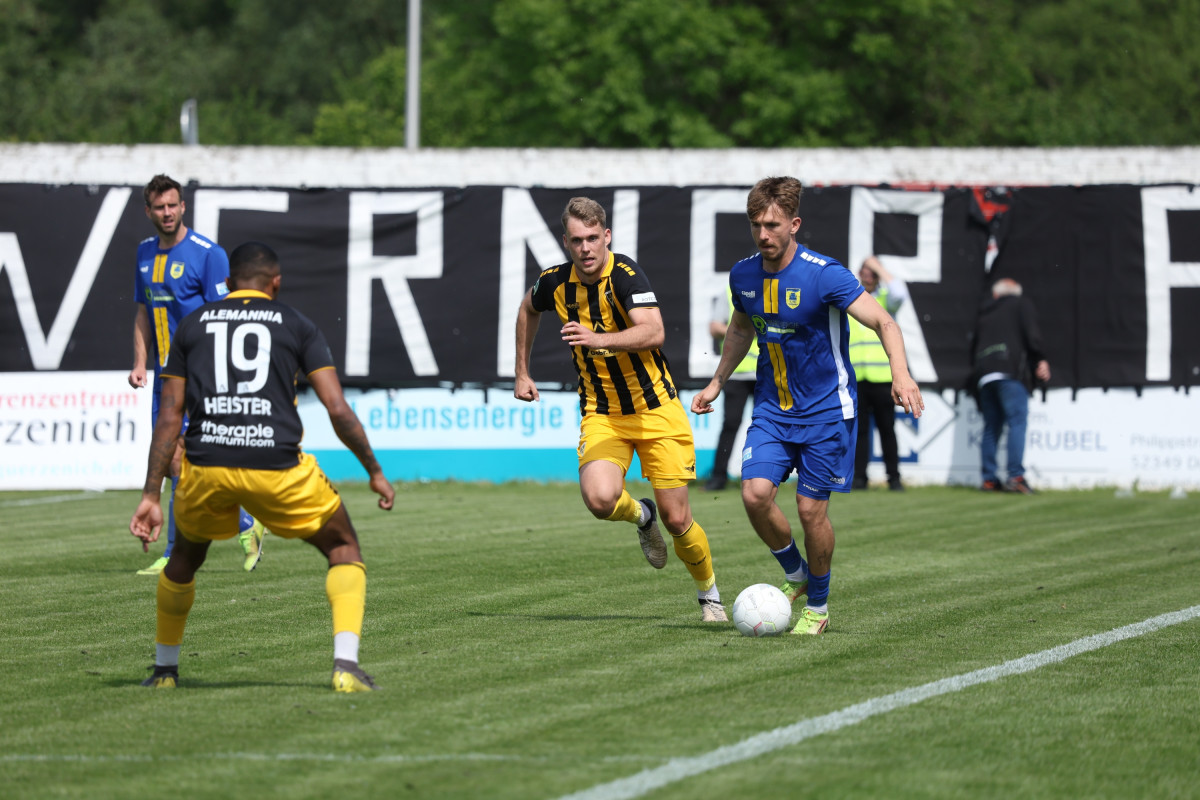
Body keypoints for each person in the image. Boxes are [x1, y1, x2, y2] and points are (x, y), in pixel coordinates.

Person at [130, 242, 395, 692]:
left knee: (184, 560)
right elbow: (337, 409)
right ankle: (346, 667)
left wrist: (152, 494)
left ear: (228, 282)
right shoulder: (297, 324)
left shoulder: (192, 325)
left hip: (206, 466)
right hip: (276, 466)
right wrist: (374, 471)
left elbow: (170, 416)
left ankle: (164, 672)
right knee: (343, 546)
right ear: (276, 282)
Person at [692, 177, 924, 635]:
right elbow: (741, 328)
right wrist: (717, 381)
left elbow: (884, 322)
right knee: (754, 495)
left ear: (794, 224)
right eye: (756, 225)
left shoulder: (825, 274)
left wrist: (901, 374)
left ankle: (817, 605)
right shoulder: (743, 275)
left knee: (809, 510)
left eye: (773, 225)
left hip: (827, 414)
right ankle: (797, 572)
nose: (763, 234)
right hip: (773, 410)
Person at [514, 197, 728, 622]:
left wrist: (599, 339)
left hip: (656, 409)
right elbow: (526, 308)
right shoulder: (554, 282)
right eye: (577, 240)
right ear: (565, 242)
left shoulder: (626, 275)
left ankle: (709, 595)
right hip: (602, 412)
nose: (586, 248)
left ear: (607, 236)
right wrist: (521, 371)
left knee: (678, 519)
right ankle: (642, 515)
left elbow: (654, 331)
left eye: (593, 238)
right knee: (599, 499)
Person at [129, 174, 265, 575]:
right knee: (175, 462)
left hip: (199, 375)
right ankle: (239, 525)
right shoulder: (143, 253)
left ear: (183, 206)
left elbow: (227, 317)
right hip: (164, 377)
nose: (167, 212)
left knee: (185, 460)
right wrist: (139, 362)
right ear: (148, 211)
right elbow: (143, 312)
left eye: (173, 205)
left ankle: (185, 549)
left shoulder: (208, 254)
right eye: (159, 207)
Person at [970, 277, 1051, 494]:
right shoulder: (1020, 304)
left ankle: (988, 479)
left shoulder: (984, 311)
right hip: (1009, 372)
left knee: (991, 427)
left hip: (984, 375)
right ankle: (1015, 477)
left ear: (996, 294)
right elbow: (1032, 334)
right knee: (1016, 423)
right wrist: (1040, 358)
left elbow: (973, 344)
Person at [849, 255, 910, 491]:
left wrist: (878, 267)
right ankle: (859, 479)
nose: (868, 276)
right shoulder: (850, 301)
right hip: (857, 377)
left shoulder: (885, 299)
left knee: (887, 430)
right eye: (864, 272)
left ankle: (894, 478)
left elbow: (900, 293)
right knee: (860, 432)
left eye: (871, 273)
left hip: (884, 378)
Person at [704, 287, 758, 491]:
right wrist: (741, 329)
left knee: (767, 426)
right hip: (737, 372)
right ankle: (718, 477)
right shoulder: (730, 291)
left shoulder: (774, 288)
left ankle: (762, 478)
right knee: (730, 424)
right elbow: (714, 327)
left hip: (767, 371)